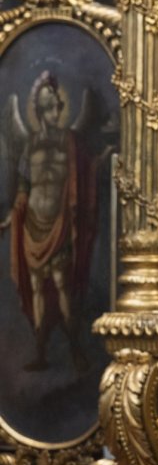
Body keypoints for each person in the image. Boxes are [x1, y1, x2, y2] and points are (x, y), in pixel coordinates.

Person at [0, 72, 95, 372]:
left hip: (59, 224)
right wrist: (9, 217)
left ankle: (75, 347)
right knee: (38, 287)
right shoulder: (28, 145)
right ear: (39, 112)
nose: (57, 112)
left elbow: (84, 171)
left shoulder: (71, 140)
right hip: (31, 226)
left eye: (59, 105)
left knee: (61, 283)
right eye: (51, 107)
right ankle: (40, 350)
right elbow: (23, 188)